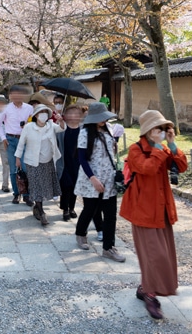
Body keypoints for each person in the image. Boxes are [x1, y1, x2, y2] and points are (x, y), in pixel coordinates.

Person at [119, 110, 188, 320]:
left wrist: (172, 144)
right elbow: (147, 168)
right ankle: (150, 294)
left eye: (163, 128)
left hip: (162, 209)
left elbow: (182, 167)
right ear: (148, 130)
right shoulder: (135, 149)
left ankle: (144, 287)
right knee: (153, 254)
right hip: (143, 210)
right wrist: (159, 148)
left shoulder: (163, 148)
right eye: (158, 128)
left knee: (163, 254)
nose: (161, 132)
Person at [74, 102, 125, 263]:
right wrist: (93, 178)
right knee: (90, 208)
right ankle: (81, 233)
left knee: (110, 214)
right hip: (92, 178)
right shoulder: (84, 133)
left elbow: (111, 151)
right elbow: (82, 159)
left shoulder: (109, 129)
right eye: (100, 119)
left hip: (108, 177)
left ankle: (108, 248)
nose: (103, 121)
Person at [15, 104, 63, 225]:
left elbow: (62, 128)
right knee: (36, 186)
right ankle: (41, 212)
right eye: (40, 112)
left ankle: (37, 206)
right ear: (35, 115)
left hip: (48, 160)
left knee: (45, 185)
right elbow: (21, 143)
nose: (43, 115)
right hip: (32, 162)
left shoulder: (51, 126)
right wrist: (17, 158)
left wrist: (61, 120)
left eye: (45, 112)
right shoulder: (28, 127)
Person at [0, 85, 34, 206]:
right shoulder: (5, 109)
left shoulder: (29, 108)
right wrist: (3, 138)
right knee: (13, 169)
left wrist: (27, 126)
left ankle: (27, 195)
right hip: (11, 140)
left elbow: (33, 122)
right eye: (14, 94)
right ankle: (16, 193)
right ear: (10, 96)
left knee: (25, 167)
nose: (17, 96)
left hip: (25, 140)